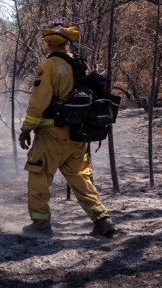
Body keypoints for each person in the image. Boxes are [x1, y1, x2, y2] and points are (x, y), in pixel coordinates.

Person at [18, 19, 117, 237]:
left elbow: (39, 102)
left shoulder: (48, 66)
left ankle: (41, 225)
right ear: (66, 42)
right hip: (78, 134)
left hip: (52, 135)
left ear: (48, 42)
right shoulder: (80, 63)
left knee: (39, 175)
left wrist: (26, 128)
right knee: (80, 177)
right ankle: (103, 220)